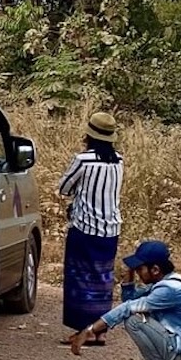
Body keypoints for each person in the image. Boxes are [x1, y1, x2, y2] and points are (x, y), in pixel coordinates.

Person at [70, 240, 181, 360]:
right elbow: (130, 299)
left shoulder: (168, 290)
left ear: (155, 270)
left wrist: (90, 330)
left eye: (139, 269)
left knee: (134, 319)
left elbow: (128, 308)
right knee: (135, 313)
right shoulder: (168, 282)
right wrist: (130, 273)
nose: (138, 273)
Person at [58, 112, 125, 346]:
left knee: (80, 278)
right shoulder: (119, 160)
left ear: (89, 134)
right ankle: (100, 331)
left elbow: (64, 188)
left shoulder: (84, 160)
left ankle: (82, 330)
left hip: (85, 228)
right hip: (111, 229)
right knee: (102, 278)